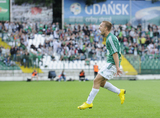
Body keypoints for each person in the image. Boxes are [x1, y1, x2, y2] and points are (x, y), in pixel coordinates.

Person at [78, 21, 126, 110]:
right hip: (110, 63)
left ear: (106, 28)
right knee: (101, 83)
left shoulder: (110, 39)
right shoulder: (109, 38)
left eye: (101, 26)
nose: (99, 28)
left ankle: (88, 103)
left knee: (96, 81)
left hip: (111, 64)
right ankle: (120, 92)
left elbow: (115, 53)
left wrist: (117, 67)